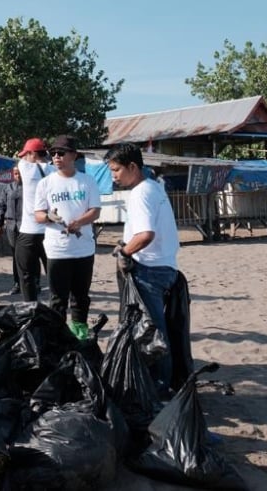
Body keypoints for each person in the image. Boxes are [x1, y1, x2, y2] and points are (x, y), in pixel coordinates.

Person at [105, 142, 180, 395]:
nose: (113, 175)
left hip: (149, 270)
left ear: (133, 166)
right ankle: (159, 384)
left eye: (116, 170)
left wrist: (124, 251)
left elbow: (145, 234)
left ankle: (158, 389)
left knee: (151, 335)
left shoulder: (140, 193)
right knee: (154, 329)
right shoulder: (154, 187)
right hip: (164, 267)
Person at [33, 135, 101, 339]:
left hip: (84, 248)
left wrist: (79, 222)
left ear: (73, 155)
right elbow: (38, 214)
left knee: (80, 295)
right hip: (57, 249)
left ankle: (79, 329)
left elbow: (95, 211)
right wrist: (49, 217)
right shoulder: (45, 184)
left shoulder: (86, 181)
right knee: (57, 296)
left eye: (61, 153)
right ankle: (57, 332)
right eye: (52, 153)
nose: (56, 157)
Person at [16, 137, 51, 301]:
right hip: (50, 230)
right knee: (54, 276)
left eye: (26, 154)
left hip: (29, 231)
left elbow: (19, 158)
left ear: (31, 154)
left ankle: (30, 309)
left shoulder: (25, 168)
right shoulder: (54, 171)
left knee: (26, 275)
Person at [0, 166, 23, 295]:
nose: (18, 176)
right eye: (16, 173)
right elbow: (1, 206)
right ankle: (17, 283)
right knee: (16, 256)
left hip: (26, 226)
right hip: (11, 225)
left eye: (20, 173)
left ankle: (34, 283)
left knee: (29, 256)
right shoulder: (8, 188)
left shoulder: (30, 187)